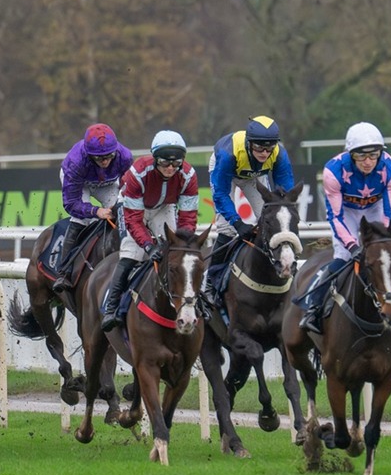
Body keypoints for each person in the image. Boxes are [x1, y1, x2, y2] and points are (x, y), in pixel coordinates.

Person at [298, 122, 391, 336]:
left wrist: (385, 241)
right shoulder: (333, 171)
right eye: (361, 156)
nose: (368, 162)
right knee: (343, 256)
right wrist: (352, 246)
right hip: (346, 212)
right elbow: (336, 216)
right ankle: (313, 307)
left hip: (376, 208)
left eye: (373, 155)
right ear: (350, 155)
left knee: (387, 258)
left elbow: (390, 211)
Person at [101, 130, 199, 331]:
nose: (170, 168)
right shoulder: (138, 172)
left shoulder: (189, 175)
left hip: (164, 207)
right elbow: (134, 220)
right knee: (132, 254)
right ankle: (111, 307)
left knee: (179, 255)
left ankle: (195, 302)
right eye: (164, 163)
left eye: (176, 163)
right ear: (155, 159)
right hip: (133, 209)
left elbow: (188, 217)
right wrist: (148, 246)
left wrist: (184, 243)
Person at [203, 115, 296, 308]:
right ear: (249, 143)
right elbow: (220, 194)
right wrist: (237, 223)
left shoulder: (279, 154)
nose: (264, 153)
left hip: (254, 176)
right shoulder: (228, 155)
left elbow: (284, 195)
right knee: (227, 229)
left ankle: (275, 268)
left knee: (272, 219)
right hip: (226, 173)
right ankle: (210, 283)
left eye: (269, 148)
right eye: (259, 148)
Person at [52, 123, 133, 293]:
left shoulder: (125, 157)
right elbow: (71, 203)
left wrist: (120, 203)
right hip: (80, 183)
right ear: (90, 155)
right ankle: (64, 271)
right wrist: (95, 211)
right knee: (82, 219)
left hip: (106, 183)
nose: (105, 161)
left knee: (122, 210)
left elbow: (129, 188)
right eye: (99, 158)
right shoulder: (75, 162)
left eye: (109, 156)